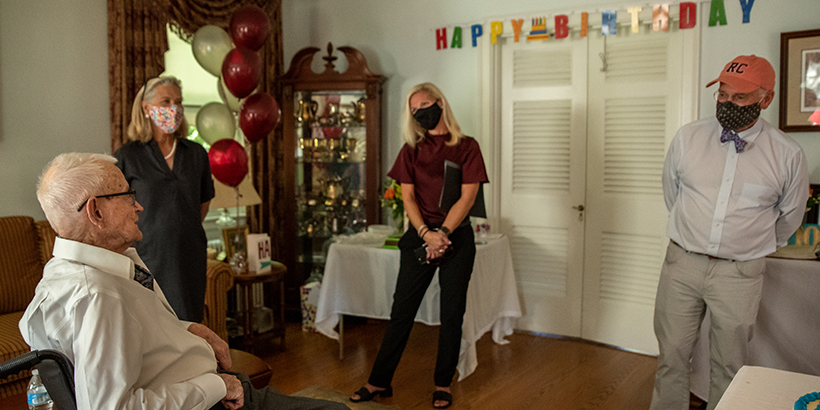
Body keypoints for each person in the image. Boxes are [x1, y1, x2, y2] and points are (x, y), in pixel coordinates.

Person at [20, 152, 348, 410]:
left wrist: (185, 328)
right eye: (127, 194)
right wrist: (220, 386)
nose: (139, 204)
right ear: (96, 212)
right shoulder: (97, 296)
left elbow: (132, 336)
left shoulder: (81, 268)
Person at [650, 55, 809, 410]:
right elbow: (672, 194)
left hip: (739, 274)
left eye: (739, 98)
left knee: (729, 366)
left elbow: (789, 218)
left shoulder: (787, 155)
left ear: (765, 100)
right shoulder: (688, 138)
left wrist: (747, 246)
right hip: (681, 264)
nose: (728, 104)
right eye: (722, 95)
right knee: (671, 357)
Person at [350, 83, 488, 409]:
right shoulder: (410, 149)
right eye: (414, 110)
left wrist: (443, 234)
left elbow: (468, 197)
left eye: (425, 104)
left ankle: (443, 383)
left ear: (441, 103)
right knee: (402, 312)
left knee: (452, 313)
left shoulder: (467, 147)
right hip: (420, 235)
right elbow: (407, 197)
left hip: (457, 236)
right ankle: (378, 381)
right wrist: (427, 233)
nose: (420, 112)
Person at [114, 76, 214, 322]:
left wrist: (180, 227)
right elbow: (118, 207)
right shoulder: (128, 156)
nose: (174, 108)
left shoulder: (196, 153)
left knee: (190, 325)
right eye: (166, 101)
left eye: (178, 102)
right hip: (148, 254)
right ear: (147, 108)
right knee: (153, 325)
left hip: (189, 253)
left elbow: (202, 201)